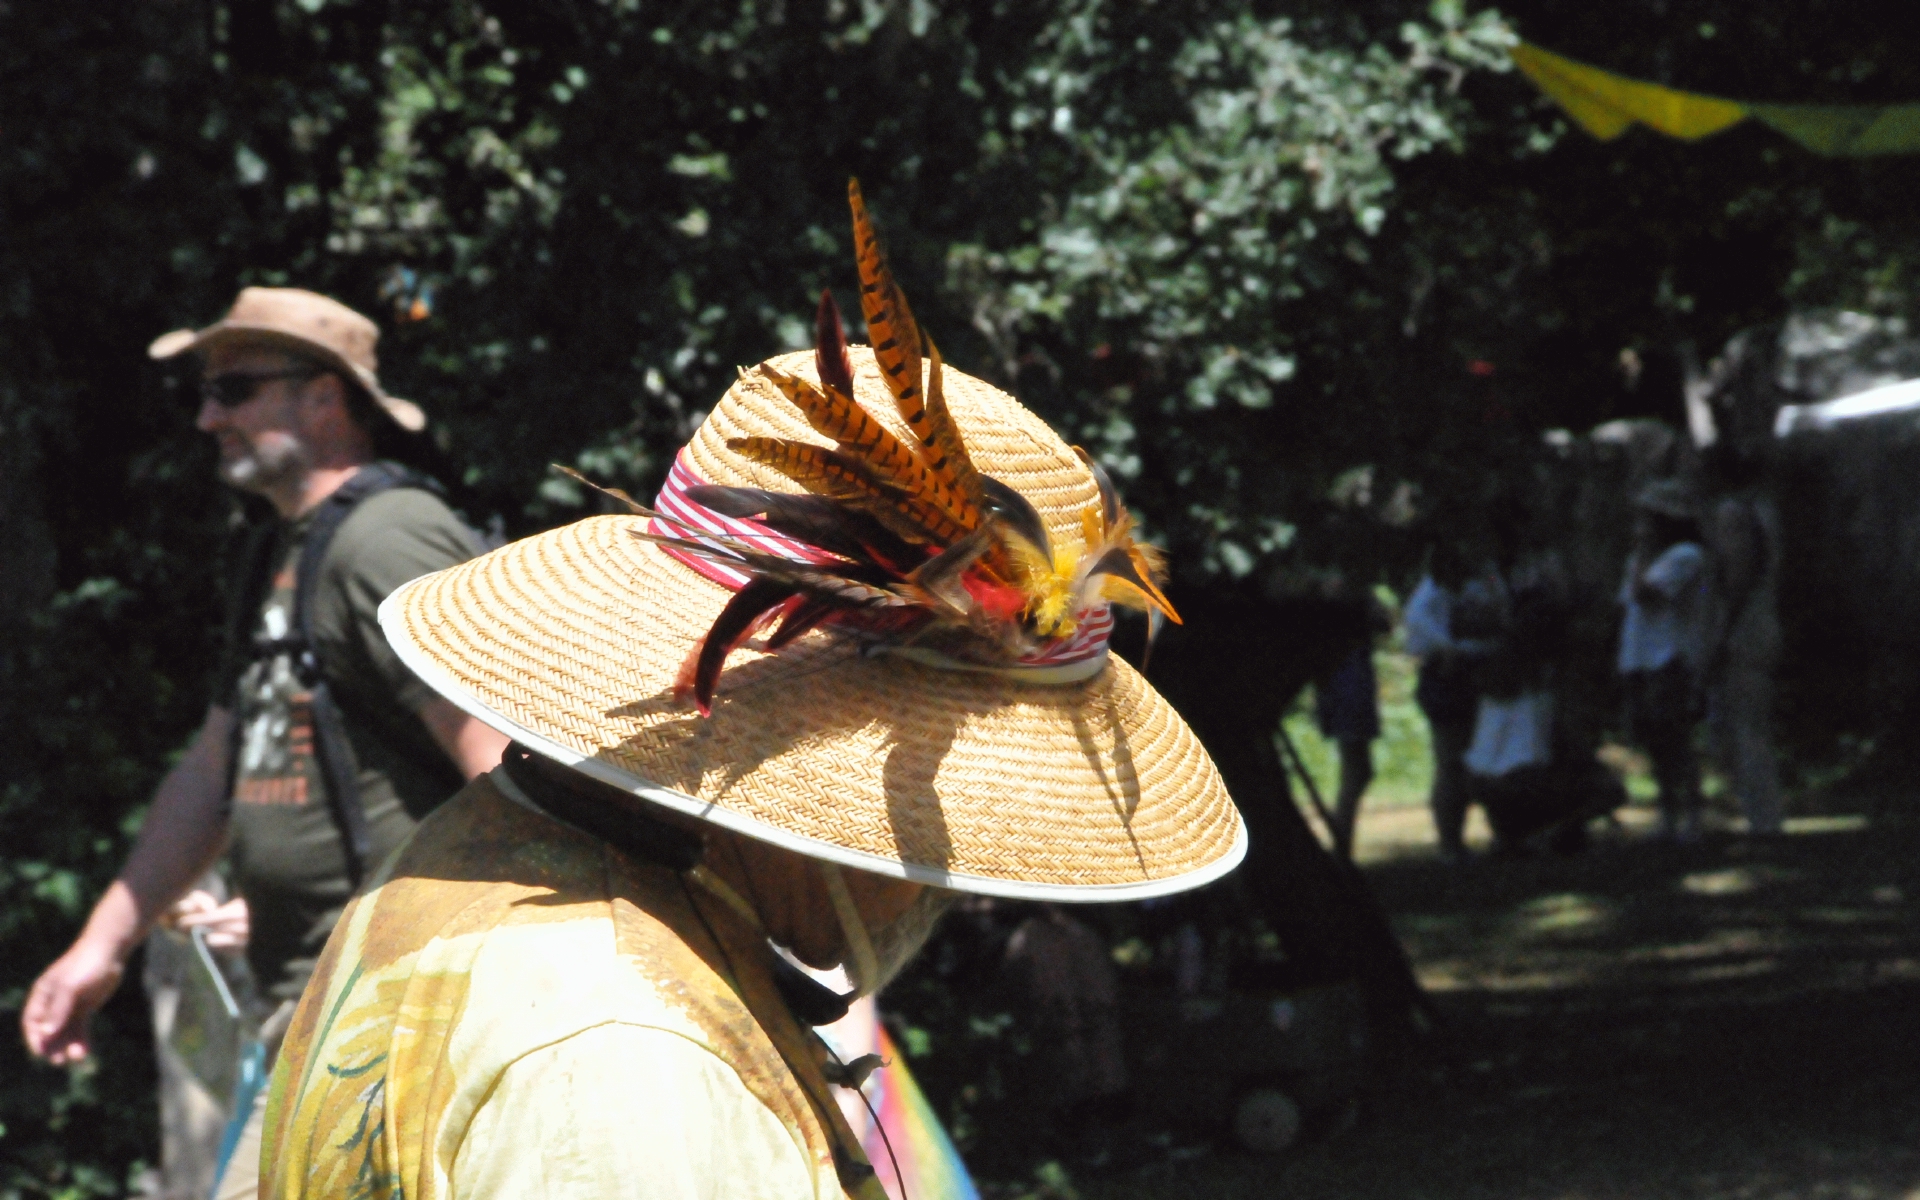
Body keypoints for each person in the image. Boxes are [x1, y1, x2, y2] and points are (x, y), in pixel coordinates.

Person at [256, 222, 1245, 1197]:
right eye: (945, 825)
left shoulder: (461, 858)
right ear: (831, 765)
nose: (941, 888)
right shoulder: (638, 1068)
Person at [19, 287, 510, 1200]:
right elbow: (212, 771)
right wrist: (100, 948)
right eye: (205, 394)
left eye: (236, 389)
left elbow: (509, 770)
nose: (208, 417)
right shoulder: (276, 554)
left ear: (325, 398)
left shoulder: (387, 542)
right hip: (316, 1007)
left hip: (400, 1007)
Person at [1617, 478, 1709, 842]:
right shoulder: (1643, 559)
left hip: (1668, 657)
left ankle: (1692, 814)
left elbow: (1646, 595)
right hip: (1639, 659)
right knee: (1654, 740)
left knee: (1676, 738)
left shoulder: (1686, 555)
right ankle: (1668, 811)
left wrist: (1641, 550)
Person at [1701, 450, 1785, 836]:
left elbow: (1738, 574)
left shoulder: (1732, 513)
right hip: (1760, 626)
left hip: (1746, 633)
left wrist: (1721, 631)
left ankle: (1763, 818)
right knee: (1749, 726)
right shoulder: (1762, 511)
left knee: (1748, 728)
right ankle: (1759, 813)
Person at [1403, 543, 1497, 861]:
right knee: (1450, 762)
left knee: (1460, 761)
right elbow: (1445, 653)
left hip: (1456, 681)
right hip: (1444, 684)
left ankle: (1456, 840)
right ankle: (1450, 842)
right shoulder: (1427, 601)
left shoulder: (1448, 594)